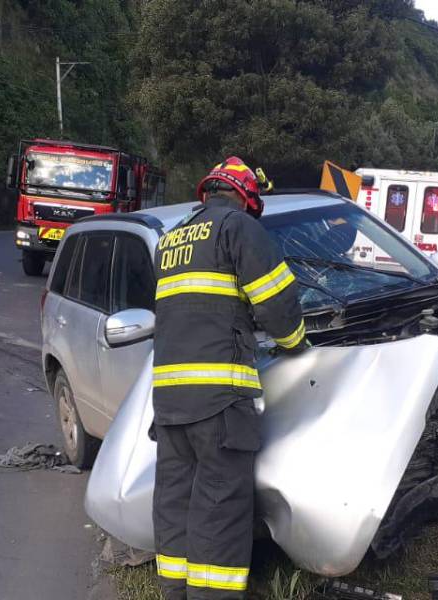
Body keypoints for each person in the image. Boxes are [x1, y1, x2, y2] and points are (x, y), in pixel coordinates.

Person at [150, 157, 307, 599]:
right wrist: (297, 344)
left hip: (170, 404)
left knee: (177, 505)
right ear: (245, 197)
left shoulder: (172, 239)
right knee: (219, 510)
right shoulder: (237, 228)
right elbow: (277, 307)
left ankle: (174, 593)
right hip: (220, 402)